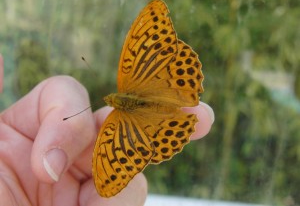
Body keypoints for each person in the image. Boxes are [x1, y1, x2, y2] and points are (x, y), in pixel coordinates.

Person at [0, 54, 214, 206]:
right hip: (164, 84)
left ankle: (179, 120)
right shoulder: (112, 121)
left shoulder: (111, 128)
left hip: (154, 121)